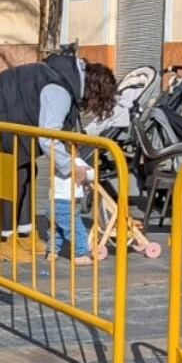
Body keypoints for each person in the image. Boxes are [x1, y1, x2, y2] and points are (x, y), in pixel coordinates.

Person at [0, 48, 90, 243]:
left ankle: (24, 232)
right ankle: (8, 237)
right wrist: (70, 167)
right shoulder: (59, 89)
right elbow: (49, 136)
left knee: (25, 170)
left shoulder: (57, 76)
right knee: (13, 176)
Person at [50, 64, 117, 260]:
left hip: (52, 200)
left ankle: (51, 253)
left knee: (55, 229)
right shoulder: (75, 162)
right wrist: (92, 173)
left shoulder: (59, 159)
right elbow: (88, 175)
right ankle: (80, 254)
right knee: (74, 227)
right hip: (68, 202)